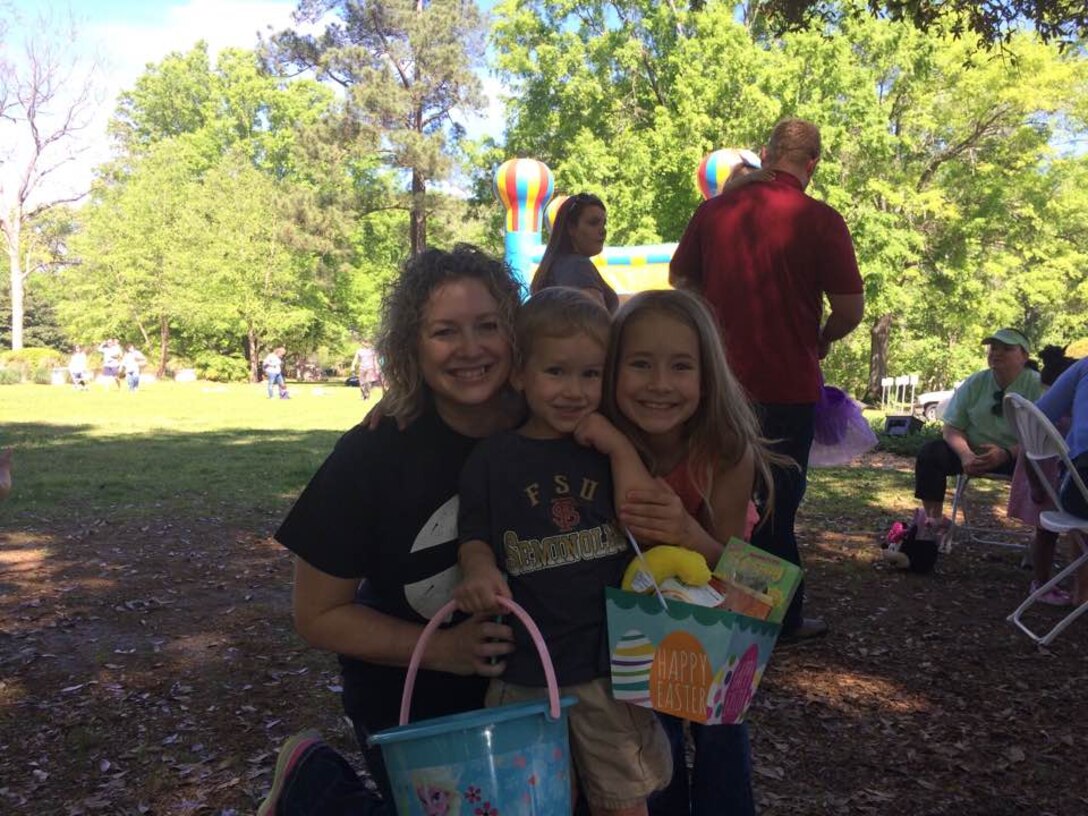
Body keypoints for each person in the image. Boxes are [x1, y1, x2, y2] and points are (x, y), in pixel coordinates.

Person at [267, 245, 522, 816]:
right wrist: (445, 650)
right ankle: (316, 789)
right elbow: (318, 614)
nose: (471, 349)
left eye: (488, 326)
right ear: (411, 345)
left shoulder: (553, 423)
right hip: (414, 695)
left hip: (545, 690)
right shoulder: (373, 453)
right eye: (444, 332)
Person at [454, 287, 672, 816]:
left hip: (610, 667)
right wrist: (478, 569)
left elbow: (646, 515)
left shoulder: (613, 446)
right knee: (524, 804)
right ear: (520, 374)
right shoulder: (493, 458)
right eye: (556, 373)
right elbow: (475, 535)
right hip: (522, 669)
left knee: (624, 800)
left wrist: (618, 446)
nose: (573, 391)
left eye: (590, 375)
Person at [669, 117, 865, 641]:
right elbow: (851, 307)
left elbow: (680, 279)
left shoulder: (713, 213)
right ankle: (776, 621)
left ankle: (714, 611)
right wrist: (822, 336)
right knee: (778, 507)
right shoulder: (821, 220)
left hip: (719, 385)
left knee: (713, 502)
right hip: (787, 386)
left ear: (766, 152)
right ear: (813, 163)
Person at [589, 289, 780, 816]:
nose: (659, 385)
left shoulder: (725, 448)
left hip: (704, 628)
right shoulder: (591, 434)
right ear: (611, 371)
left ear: (706, 375)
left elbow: (736, 580)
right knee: (653, 736)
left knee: (720, 726)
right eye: (640, 364)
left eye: (680, 366)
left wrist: (684, 531)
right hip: (623, 639)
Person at [913, 328, 1043, 541]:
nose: (996, 353)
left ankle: (1040, 538)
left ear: (1025, 355)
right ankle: (933, 522)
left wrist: (1006, 453)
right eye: (993, 348)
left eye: (1007, 349)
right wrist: (965, 454)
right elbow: (952, 427)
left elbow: (1047, 435)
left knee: (1047, 465)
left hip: (1020, 456)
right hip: (973, 455)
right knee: (931, 453)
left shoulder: (1037, 385)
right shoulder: (976, 382)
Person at [1007, 346, 1075, 604]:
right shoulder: (1053, 417)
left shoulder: (1042, 410)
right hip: (1048, 481)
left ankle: (1045, 579)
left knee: (1046, 533)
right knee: (1046, 532)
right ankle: (1043, 581)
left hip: (1051, 479)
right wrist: (1036, 487)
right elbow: (1027, 452)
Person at [532, 192, 619, 313]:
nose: (603, 231)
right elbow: (598, 321)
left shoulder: (556, 265)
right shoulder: (577, 266)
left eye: (603, 223)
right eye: (593, 223)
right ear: (571, 228)